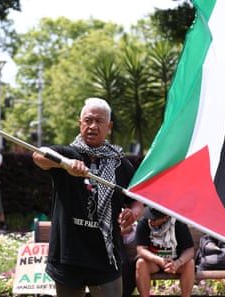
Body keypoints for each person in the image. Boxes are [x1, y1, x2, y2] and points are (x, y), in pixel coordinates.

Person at [32, 97, 144, 297]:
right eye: (88, 120)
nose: (92, 126)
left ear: (109, 126)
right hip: (68, 255)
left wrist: (134, 213)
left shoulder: (122, 164)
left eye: (99, 121)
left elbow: (136, 199)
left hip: (106, 257)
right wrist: (65, 164)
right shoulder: (67, 154)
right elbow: (39, 155)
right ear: (80, 123)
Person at [135, 206, 195, 297]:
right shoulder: (144, 222)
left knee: (190, 263)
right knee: (141, 263)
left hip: (175, 262)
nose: (150, 221)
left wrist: (178, 263)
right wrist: (159, 260)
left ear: (166, 217)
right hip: (154, 263)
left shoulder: (179, 224)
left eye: (154, 219)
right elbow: (141, 249)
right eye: (149, 217)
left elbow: (190, 250)